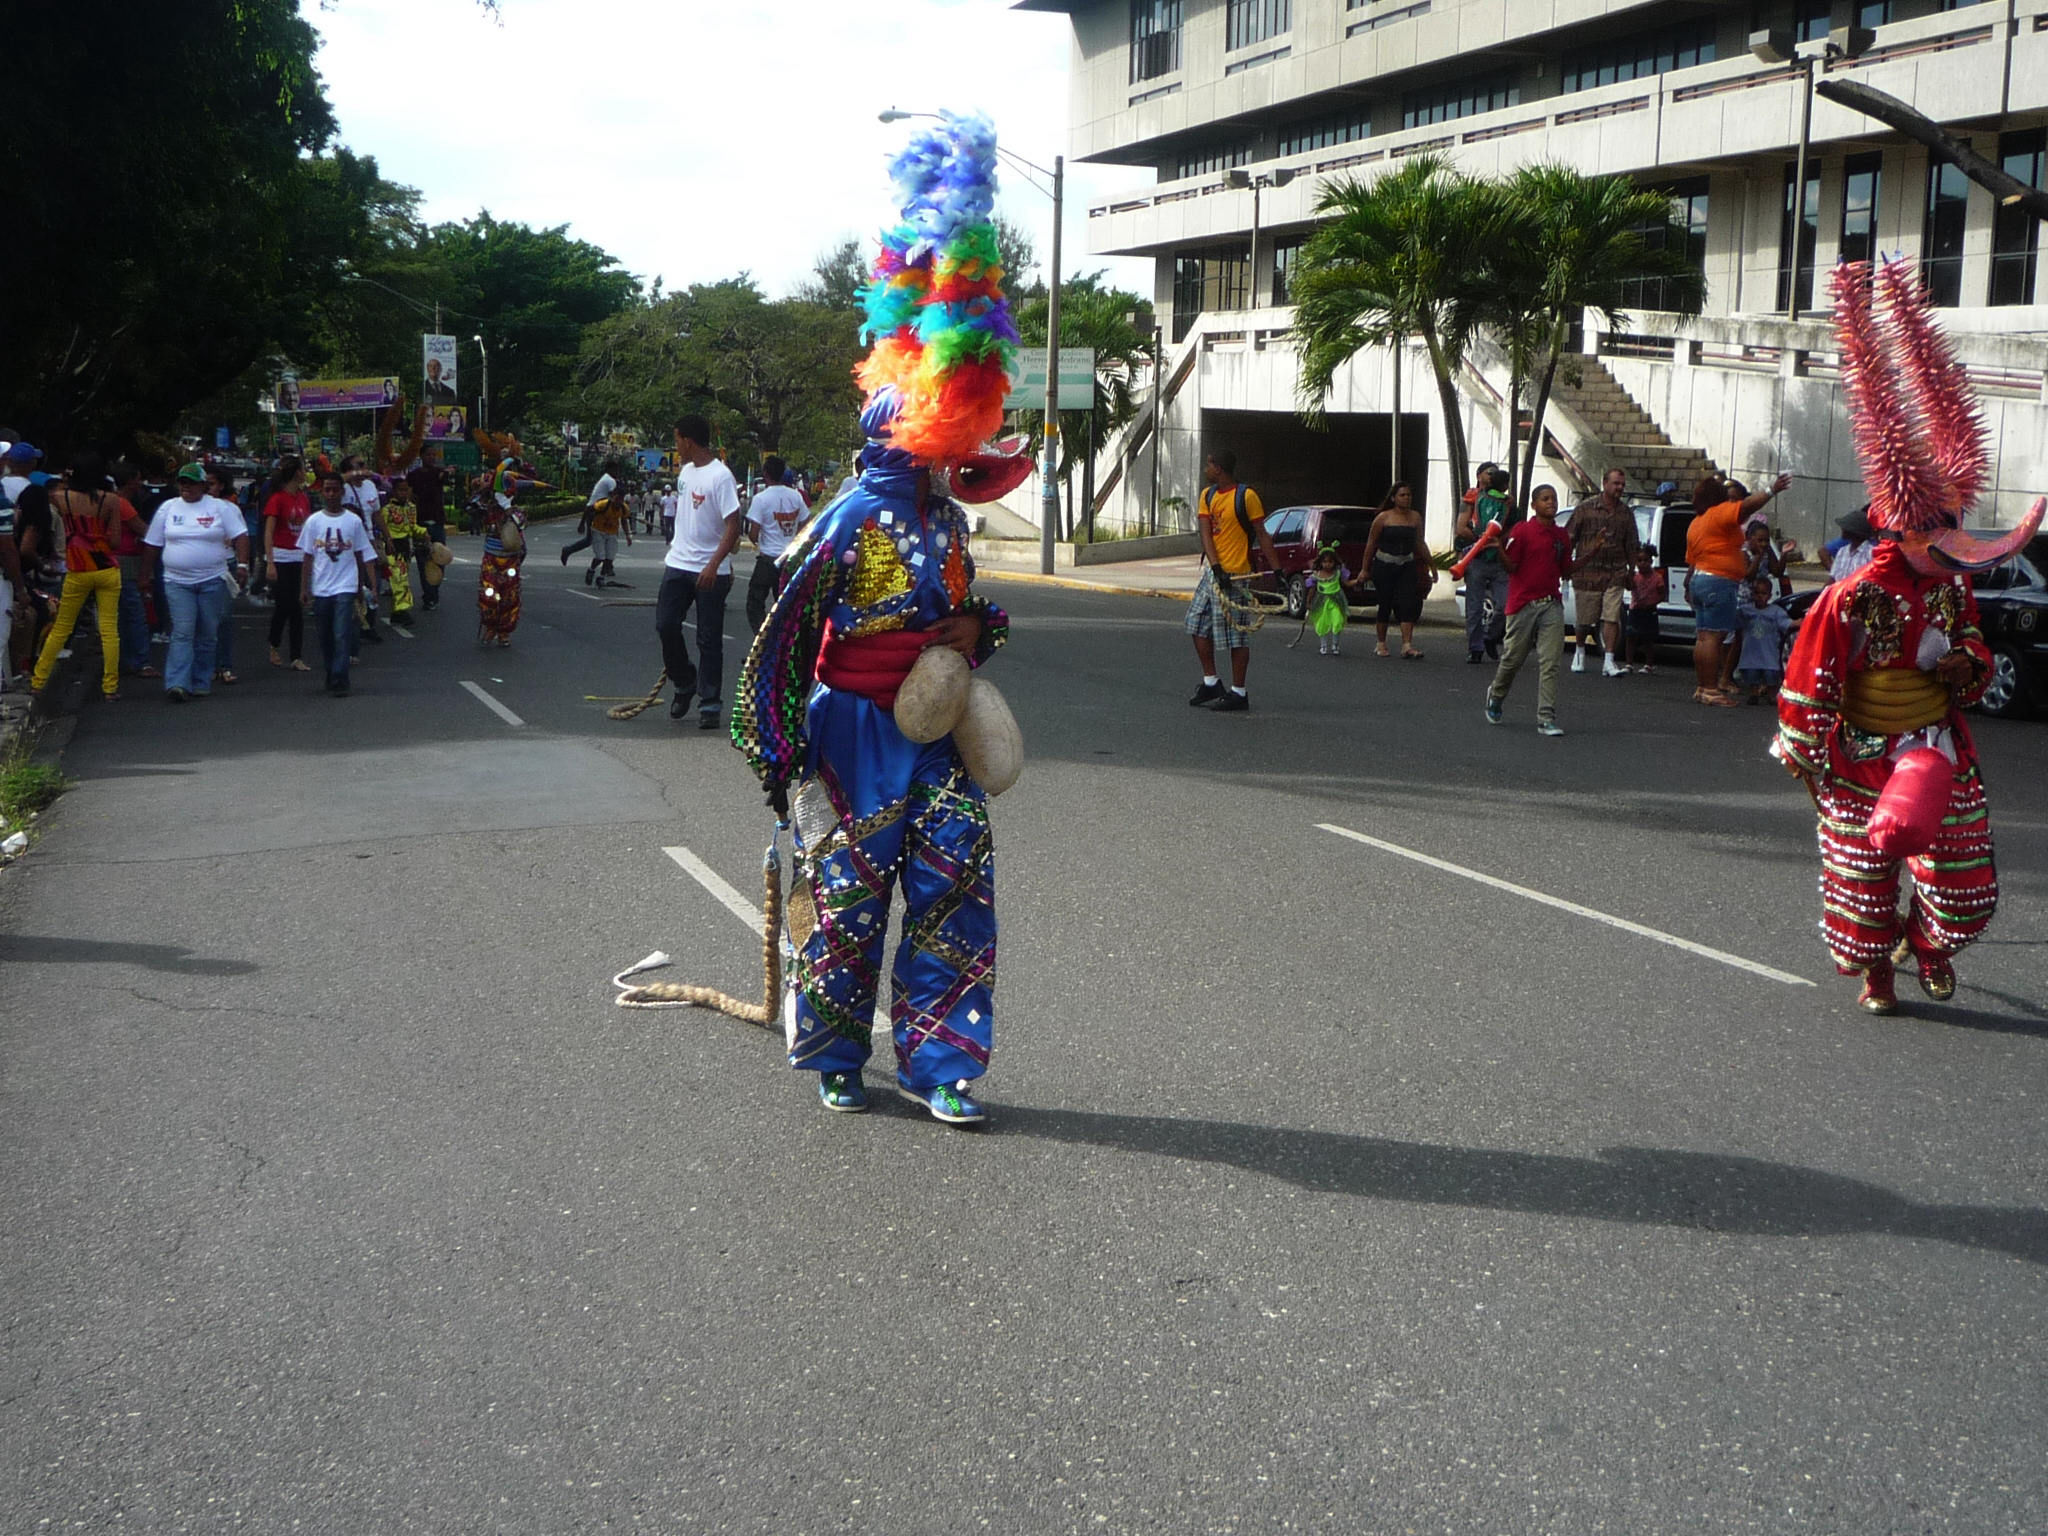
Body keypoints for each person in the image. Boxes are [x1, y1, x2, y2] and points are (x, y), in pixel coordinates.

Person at [732, 110, 1026, 1125]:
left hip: (932, 742)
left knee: (955, 899)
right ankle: (835, 1056)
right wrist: (777, 758)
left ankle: (944, 1067)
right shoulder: (848, 517)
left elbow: (969, 611)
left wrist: (973, 635)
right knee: (848, 912)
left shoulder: (944, 520)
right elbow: (773, 639)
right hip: (847, 741)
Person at [1777, 258, 2041, 1014]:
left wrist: (1967, 665)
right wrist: (1806, 755)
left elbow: (1979, 655)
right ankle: (1879, 972)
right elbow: (1809, 677)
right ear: (1904, 529)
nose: (1953, 546)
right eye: (1938, 533)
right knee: (1863, 882)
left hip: (1931, 745)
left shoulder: (1952, 584)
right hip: (1859, 753)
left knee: (1961, 883)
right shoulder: (1851, 596)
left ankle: (1925, 946)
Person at [655, 415, 742, 729]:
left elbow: (734, 524)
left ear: (687, 440)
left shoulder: (721, 476)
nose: (676, 447)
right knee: (665, 625)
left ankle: (710, 702)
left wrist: (714, 565)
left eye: (677, 440)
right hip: (678, 563)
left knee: (709, 639)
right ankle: (684, 681)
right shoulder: (685, 473)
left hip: (710, 570)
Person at [140, 464, 248, 702]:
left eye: (190, 482)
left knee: (208, 631)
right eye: (182, 482)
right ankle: (177, 683)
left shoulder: (219, 507)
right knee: (182, 630)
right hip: (177, 581)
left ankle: (200, 680)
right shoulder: (168, 508)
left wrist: (242, 565)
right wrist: (146, 574)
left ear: (203, 485)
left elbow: (241, 535)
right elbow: (152, 543)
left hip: (212, 579)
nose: (185, 487)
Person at [30, 453, 133, 702]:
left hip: (78, 569)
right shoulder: (111, 500)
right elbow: (116, 540)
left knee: (62, 627)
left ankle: (38, 680)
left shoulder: (59, 498)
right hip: (106, 568)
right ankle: (110, 687)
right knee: (109, 629)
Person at [1185, 448, 1282, 711]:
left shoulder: (1246, 496)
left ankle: (1239, 692)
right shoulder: (1208, 495)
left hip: (1238, 574)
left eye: (1209, 464)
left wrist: (1278, 571)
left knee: (1236, 636)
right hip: (1214, 574)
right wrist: (1215, 568)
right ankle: (1211, 682)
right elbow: (1206, 533)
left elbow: (1262, 534)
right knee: (1195, 623)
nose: (1206, 469)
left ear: (1219, 468)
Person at [1685, 471, 1790, 706]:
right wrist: (1772, 490)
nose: (1731, 501)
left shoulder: (1696, 522)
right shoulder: (1717, 514)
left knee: (1703, 637)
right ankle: (1712, 689)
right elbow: (1746, 507)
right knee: (1714, 637)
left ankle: (1703, 686)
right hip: (1718, 582)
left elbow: (1691, 558)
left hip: (1700, 579)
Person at [1483, 483, 1572, 737]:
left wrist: (1593, 552)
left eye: (1554, 498)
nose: (1551, 503)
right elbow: (1511, 567)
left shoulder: (1561, 536)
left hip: (1551, 604)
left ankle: (1546, 717)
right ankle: (1496, 694)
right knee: (1513, 659)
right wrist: (1499, 548)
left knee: (1550, 662)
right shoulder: (1522, 531)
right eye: (1545, 499)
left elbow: (1566, 571)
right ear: (1534, 505)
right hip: (1523, 605)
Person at [298, 468, 375, 695]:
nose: (331, 494)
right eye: (327, 490)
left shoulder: (353, 521)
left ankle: (341, 678)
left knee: (341, 632)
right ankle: (331, 671)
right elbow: (307, 556)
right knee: (325, 635)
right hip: (321, 588)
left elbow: (363, 555)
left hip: (346, 586)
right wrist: (304, 588)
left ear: (342, 492)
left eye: (335, 490)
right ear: (322, 493)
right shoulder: (314, 522)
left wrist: (365, 585)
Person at [1568, 467, 1638, 677]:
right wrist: (1565, 566)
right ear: (1605, 483)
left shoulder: (1626, 513)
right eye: (1616, 484)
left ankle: (1609, 660)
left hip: (1615, 573)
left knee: (1612, 616)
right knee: (1585, 620)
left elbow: (1632, 544)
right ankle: (1579, 650)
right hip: (1587, 574)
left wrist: (1631, 571)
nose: (1620, 488)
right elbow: (1569, 537)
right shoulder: (1585, 509)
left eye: (1622, 485)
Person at [1359, 480, 1431, 660]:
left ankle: (1407, 644)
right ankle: (1381, 643)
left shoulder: (1415, 517)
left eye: (1408, 495)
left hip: (1406, 564)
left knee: (1408, 602)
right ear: (1393, 498)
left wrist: (1432, 565)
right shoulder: (1383, 518)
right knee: (1385, 602)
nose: (1406, 498)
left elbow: (1419, 542)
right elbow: (1371, 544)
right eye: (1402, 495)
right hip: (1384, 565)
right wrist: (1364, 569)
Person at [478, 459, 541, 647]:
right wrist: (485, 491)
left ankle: (504, 632)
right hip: (491, 558)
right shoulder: (487, 508)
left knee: (510, 598)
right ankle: (490, 627)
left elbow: (519, 524)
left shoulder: (517, 513)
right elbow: (471, 508)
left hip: (510, 561)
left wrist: (507, 507)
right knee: (488, 595)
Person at [1456, 462, 1514, 662]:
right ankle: (1475, 648)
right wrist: (1480, 540)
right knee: (1474, 606)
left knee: (1505, 603)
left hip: (1498, 557)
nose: (1492, 476)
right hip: (1477, 557)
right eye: (1489, 473)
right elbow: (1461, 527)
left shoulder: (1508, 502)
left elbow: (1512, 527)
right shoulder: (1472, 496)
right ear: (1479, 475)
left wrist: (1498, 541)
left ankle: (1490, 637)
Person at [743, 454, 809, 631]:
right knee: (786, 604)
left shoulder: (761, 499)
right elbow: (806, 523)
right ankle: (784, 641)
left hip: (768, 559)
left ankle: (761, 638)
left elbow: (754, 534)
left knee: (755, 602)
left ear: (765, 473)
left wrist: (755, 537)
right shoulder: (796, 497)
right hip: (790, 558)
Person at [262, 458, 313, 671]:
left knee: (297, 606)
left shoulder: (303, 498)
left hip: (299, 557)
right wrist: (270, 562)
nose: (305, 474)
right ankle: (274, 642)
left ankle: (296, 656)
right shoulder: (277, 499)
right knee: (285, 605)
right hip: (281, 557)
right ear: (296, 473)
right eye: (303, 470)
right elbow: (269, 532)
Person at [1734, 576, 1792, 705]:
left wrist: (1799, 623)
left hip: (1769, 652)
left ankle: (1771, 694)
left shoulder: (1776, 612)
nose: (1760, 596)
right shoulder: (1746, 610)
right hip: (1751, 651)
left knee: (1771, 674)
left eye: (1763, 593)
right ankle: (1753, 693)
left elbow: (1786, 624)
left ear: (1770, 595)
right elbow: (1736, 622)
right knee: (1751, 673)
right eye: (1757, 593)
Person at [381, 476, 424, 625]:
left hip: (406, 547)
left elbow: (413, 527)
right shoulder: (387, 510)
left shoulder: (411, 508)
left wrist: (424, 532)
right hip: (393, 547)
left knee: (403, 579)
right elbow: (382, 528)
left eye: (406, 490)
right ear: (393, 491)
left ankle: (397, 611)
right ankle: (402, 610)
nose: (403, 493)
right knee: (399, 579)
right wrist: (386, 542)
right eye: (400, 490)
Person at [1623, 544, 1666, 674]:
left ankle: (1648, 664)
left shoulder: (1657, 577)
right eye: (1639, 561)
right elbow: (1629, 587)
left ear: (1651, 561)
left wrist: (1652, 602)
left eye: (1645, 560)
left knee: (1648, 638)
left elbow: (1662, 594)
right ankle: (1629, 664)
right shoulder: (1635, 576)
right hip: (1635, 609)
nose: (1642, 564)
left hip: (1649, 611)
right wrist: (1628, 576)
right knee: (1631, 636)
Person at [582, 486, 632, 588]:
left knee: (609, 558)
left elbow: (623, 521)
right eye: (617, 498)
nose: (618, 501)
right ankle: (591, 570)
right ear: (613, 497)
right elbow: (589, 511)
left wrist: (628, 535)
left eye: (621, 499)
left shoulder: (624, 508)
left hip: (612, 533)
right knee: (600, 557)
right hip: (598, 531)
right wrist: (583, 525)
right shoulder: (603, 505)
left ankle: (601, 577)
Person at [1307, 544, 1349, 656]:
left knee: (1337, 621)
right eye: (1325, 562)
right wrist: (1308, 602)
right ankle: (1323, 645)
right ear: (1320, 562)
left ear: (1335, 562)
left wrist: (1358, 581)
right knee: (1322, 623)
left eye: (1330, 562)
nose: (1327, 564)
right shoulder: (1316, 575)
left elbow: (1347, 583)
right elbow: (1312, 590)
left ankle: (1335, 644)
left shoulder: (1338, 573)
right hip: (1321, 602)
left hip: (1336, 601)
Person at [1743, 516, 1793, 601]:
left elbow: (1777, 572)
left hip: (1761, 602)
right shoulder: (1744, 553)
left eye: (1766, 541)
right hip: (1744, 600)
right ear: (1749, 538)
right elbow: (1749, 577)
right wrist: (1758, 556)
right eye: (1760, 540)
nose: (1763, 544)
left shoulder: (1767, 552)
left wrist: (1784, 554)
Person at [1828, 505, 1877, 584]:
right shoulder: (1842, 551)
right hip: (1839, 593)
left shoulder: (1871, 553)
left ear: (1854, 532)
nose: (1842, 529)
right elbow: (1833, 578)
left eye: (1846, 527)